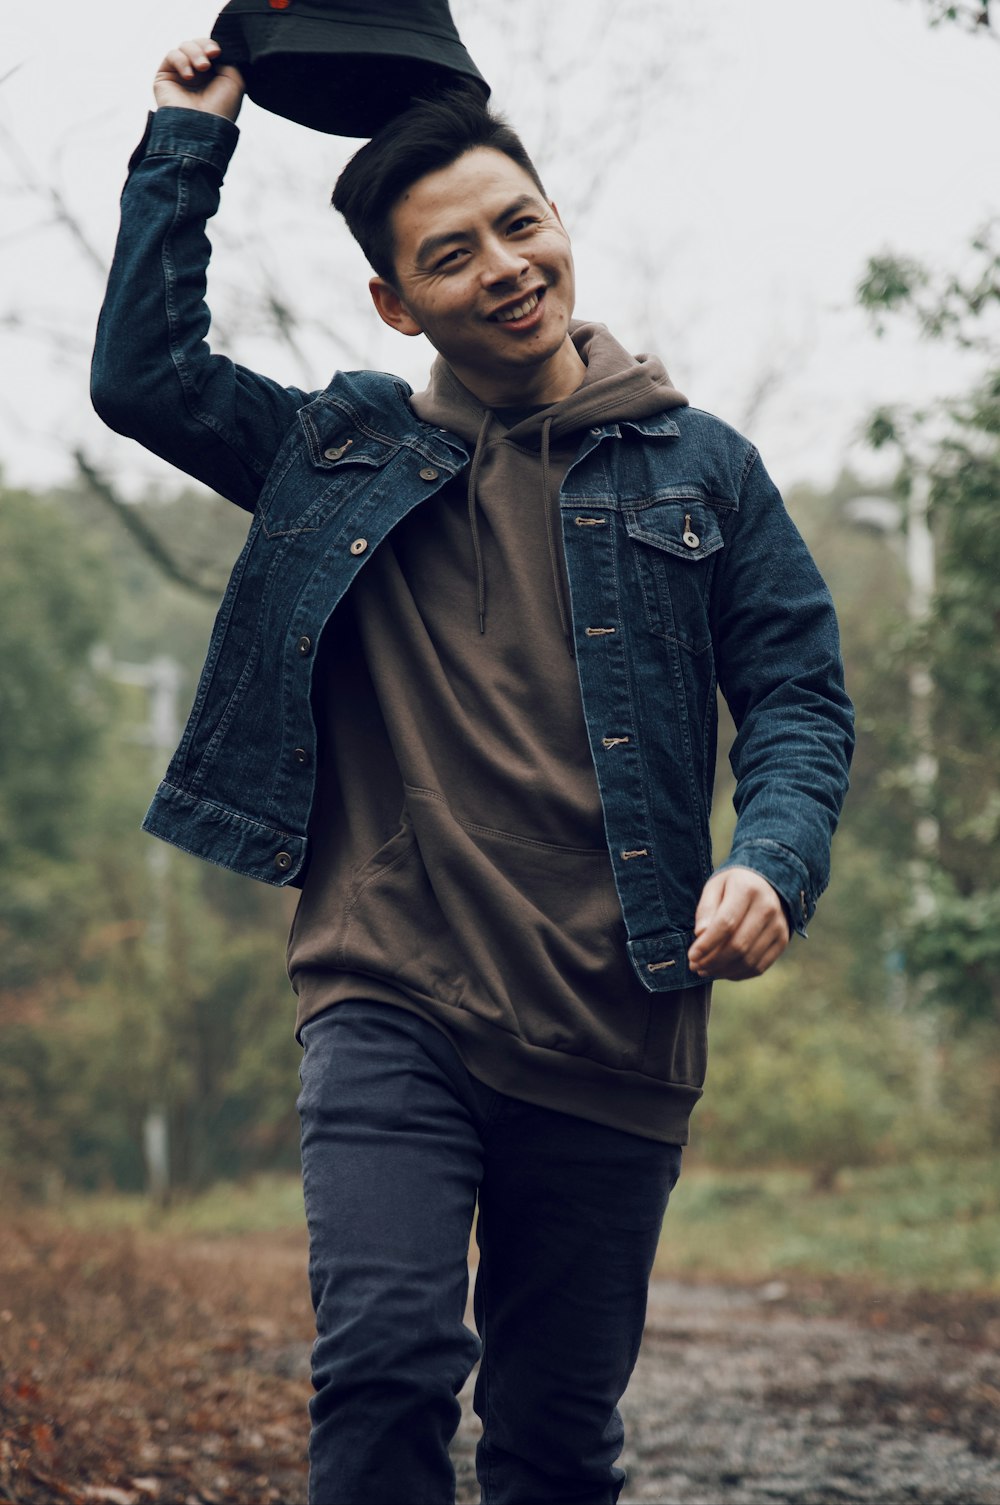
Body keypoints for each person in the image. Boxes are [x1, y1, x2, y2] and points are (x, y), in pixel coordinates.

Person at [91, 36, 854, 1505]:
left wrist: (771, 856)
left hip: (617, 1019)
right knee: (383, 1368)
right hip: (391, 994)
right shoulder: (337, 453)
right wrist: (189, 136)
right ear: (397, 299)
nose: (505, 267)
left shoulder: (705, 471)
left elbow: (799, 699)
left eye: (521, 225)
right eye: (453, 254)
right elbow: (148, 377)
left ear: (558, 225)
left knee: (557, 1437)